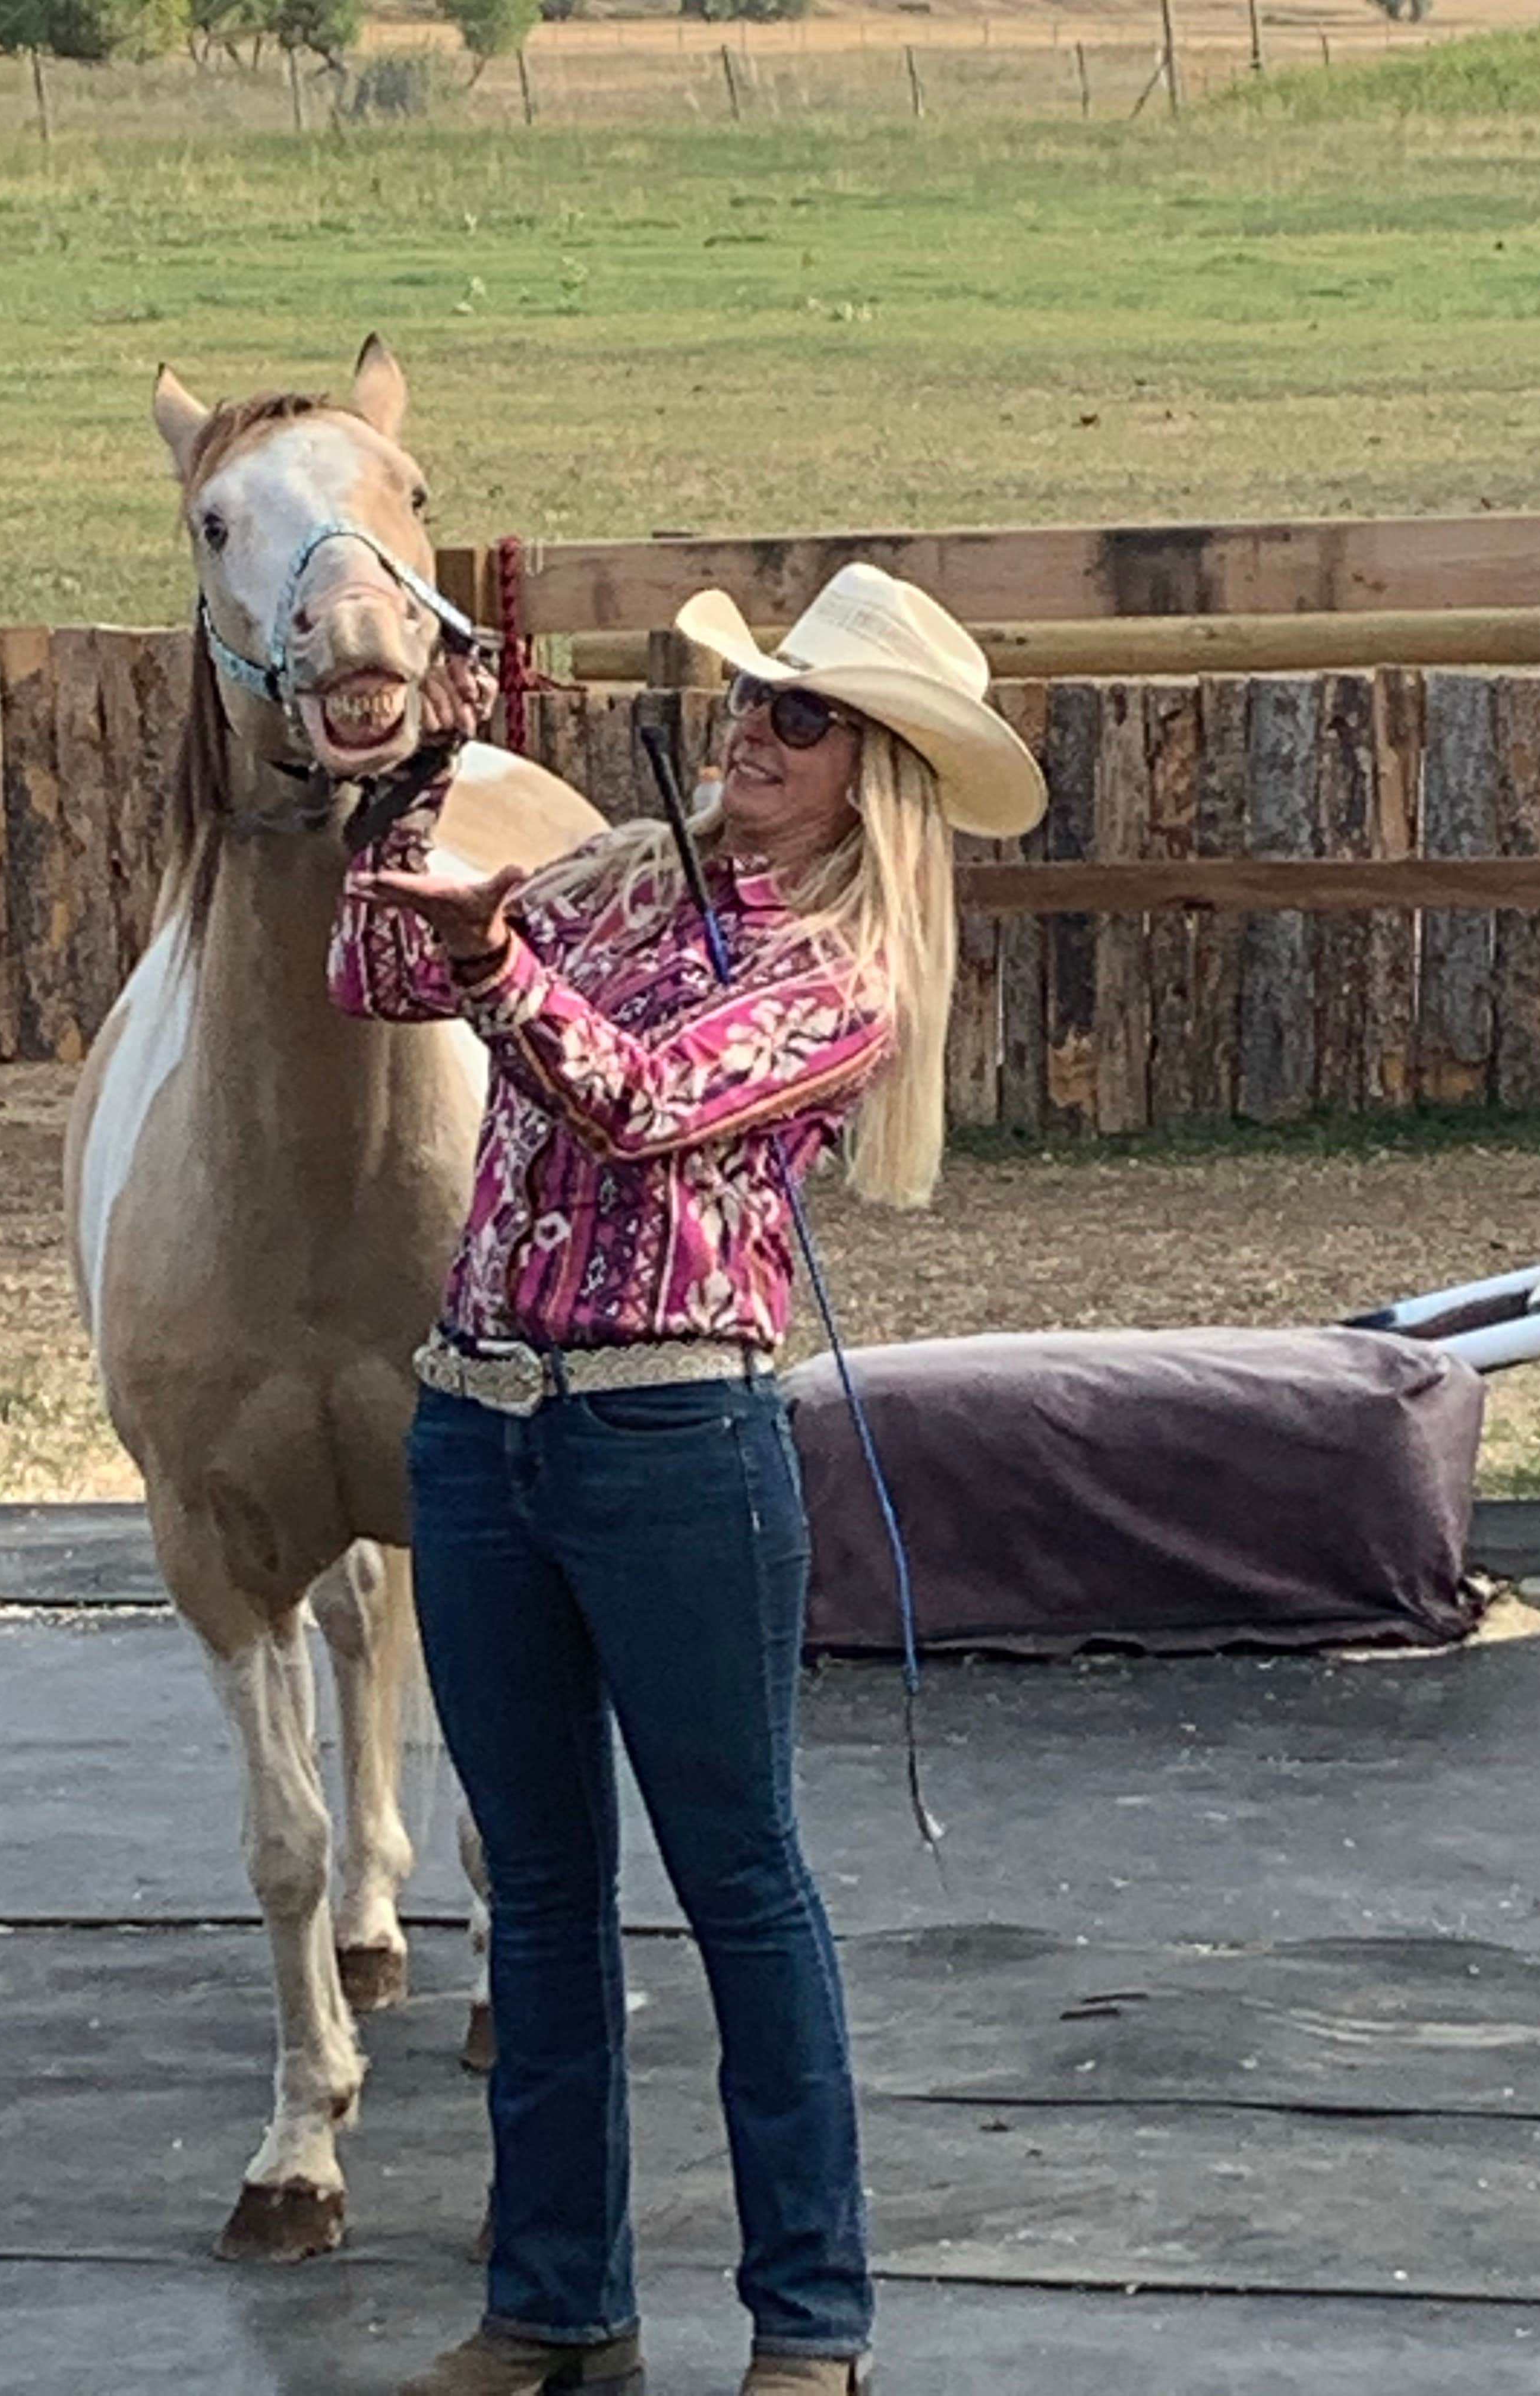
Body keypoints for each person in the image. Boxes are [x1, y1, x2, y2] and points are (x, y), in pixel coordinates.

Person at [327, 564, 1047, 2396]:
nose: (750, 726)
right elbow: (367, 964)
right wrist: (414, 771)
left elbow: (642, 1101)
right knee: (545, 1893)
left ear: (871, 769)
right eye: (750, 696)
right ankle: (553, 2300)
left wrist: (498, 968)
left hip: (671, 1437)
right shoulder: (625, 880)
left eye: (798, 714)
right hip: (482, 1419)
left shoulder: (847, 979)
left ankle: (811, 2320)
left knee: (742, 1884)